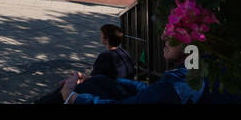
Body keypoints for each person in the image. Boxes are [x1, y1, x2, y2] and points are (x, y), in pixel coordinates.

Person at [61, 41, 205, 104]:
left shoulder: (180, 82)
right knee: (97, 81)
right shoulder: (193, 70)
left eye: (174, 33)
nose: (163, 37)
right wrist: (101, 79)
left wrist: (72, 97)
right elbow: (152, 92)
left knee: (85, 89)